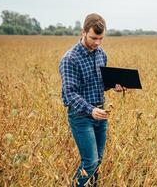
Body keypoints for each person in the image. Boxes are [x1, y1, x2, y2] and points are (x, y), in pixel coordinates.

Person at [59, 13, 125, 187]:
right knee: (90, 162)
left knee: (98, 162)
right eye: (93, 38)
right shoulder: (70, 59)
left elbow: (98, 85)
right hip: (81, 117)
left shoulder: (101, 54)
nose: (97, 43)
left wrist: (115, 86)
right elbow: (70, 93)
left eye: (101, 38)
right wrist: (91, 110)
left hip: (100, 114)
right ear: (83, 32)